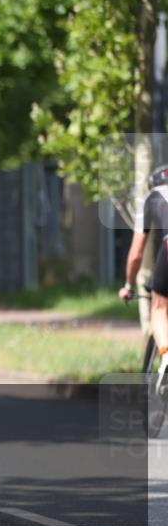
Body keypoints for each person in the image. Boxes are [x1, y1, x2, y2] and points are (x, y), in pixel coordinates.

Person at [119, 164, 168, 395]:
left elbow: (136, 253)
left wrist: (128, 285)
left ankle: (166, 356)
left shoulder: (150, 199)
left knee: (159, 309)